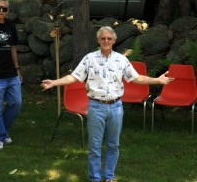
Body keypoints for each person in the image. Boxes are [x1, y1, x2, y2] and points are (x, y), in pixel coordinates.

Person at [41, 26, 174, 182]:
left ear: (114, 41)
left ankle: (109, 177)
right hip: (96, 106)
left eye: (109, 38)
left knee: (113, 145)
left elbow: (137, 78)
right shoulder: (89, 59)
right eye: (103, 38)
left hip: (116, 107)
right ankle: (95, 179)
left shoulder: (121, 59)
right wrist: (54, 83)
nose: (106, 41)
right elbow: (74, 77)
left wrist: (157, 80)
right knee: (94, 148)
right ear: (98, 40)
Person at [0, 0, 22, 150]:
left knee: (16, 103)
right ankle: (0, 137)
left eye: (4, 9)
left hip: (11, 73)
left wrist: (17, 69)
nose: (1, 11)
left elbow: (13, 47)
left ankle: (3, 131)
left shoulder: (10, 25)